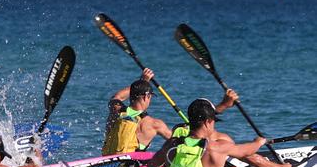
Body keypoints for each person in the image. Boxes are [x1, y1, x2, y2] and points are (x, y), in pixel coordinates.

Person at [148, 98, 276, 167]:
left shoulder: (172, 144)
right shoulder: (215, 147)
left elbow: (152, 165)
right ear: (207, 122)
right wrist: (259, 142)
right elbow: (246, 151)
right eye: (213, 121)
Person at [102, 68, 238, 156]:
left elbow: (117, 96)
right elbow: (183, 141)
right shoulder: (154, 124)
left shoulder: (116, 110)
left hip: (105, 161)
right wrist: (222, 107)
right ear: (146, 97)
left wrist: (142, 81)